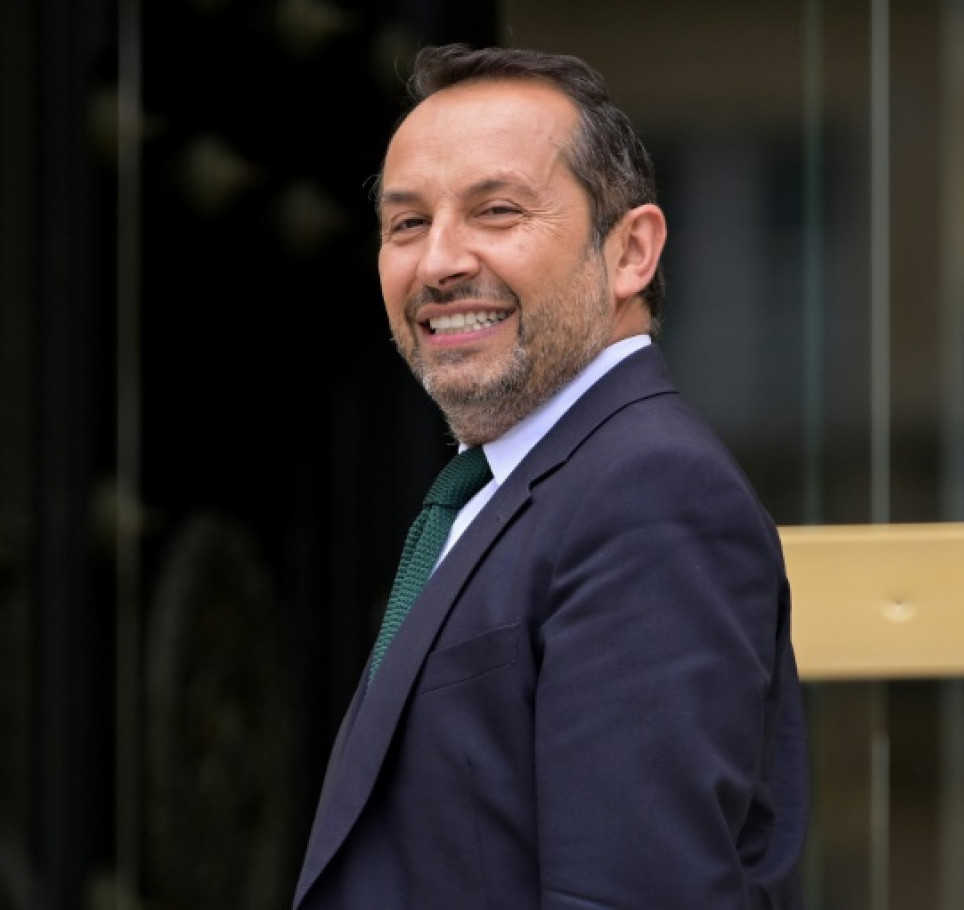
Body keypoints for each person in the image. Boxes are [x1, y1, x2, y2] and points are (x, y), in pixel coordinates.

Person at [294, 43, 809, 909]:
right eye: (407, 223)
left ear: (631, 252)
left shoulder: (651, 495)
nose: (438, 262)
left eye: (496, 211)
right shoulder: (509, 485)